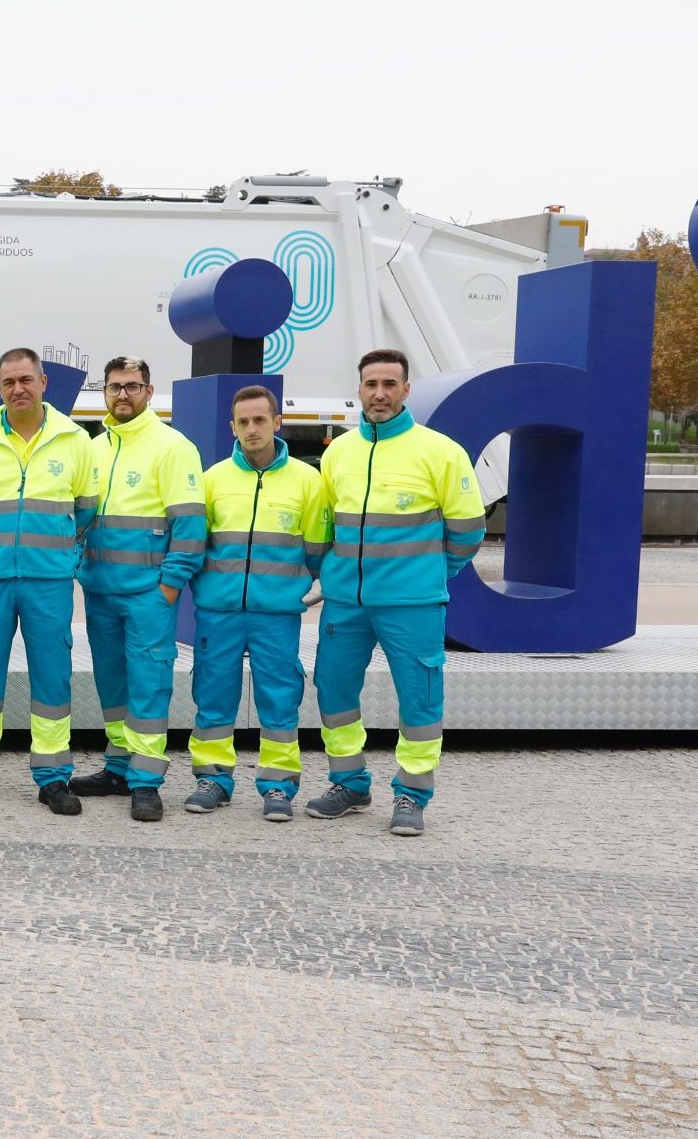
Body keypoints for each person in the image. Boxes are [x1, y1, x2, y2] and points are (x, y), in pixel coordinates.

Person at [307, 348, 484, 837]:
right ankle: (349, 783)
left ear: (407, 390)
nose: (379, 394)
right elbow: (326, 525)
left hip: (413, 604)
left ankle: (411, 794)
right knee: (334, 689)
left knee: (419, 699)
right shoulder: (338, 452)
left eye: (390, 384)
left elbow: (468, 530)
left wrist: (428, 574)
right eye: (371, 385)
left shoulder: (440, 452)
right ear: (359, 390)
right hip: (346, 600)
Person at [0, 348, 94, 812]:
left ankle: (52, 777)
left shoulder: (75, 440)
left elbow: (85, 510)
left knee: (53, 676)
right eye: (8, 382)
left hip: (48, 580)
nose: (18, 389)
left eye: (26, 379)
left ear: (44, 382)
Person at [186, 385, 332, 821]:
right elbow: (197, 545)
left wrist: (304, 590)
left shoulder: (309, 482)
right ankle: (212, 779)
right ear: (232, 426)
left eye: (260, 420)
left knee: (279, 697)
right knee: (212, 695)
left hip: (277, 614)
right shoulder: (212, 480)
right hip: (219, 612)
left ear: (277, 422)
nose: (252, 429)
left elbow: (317, 550)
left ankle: (278, 785)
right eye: (243, 422)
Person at [74, 355, 206, 823]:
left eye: (132, 386)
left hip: (149, 594)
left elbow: (190, 523)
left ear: (149, 392)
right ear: (104, 393)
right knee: (113, 684)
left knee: (149, 686)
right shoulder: (94, 447)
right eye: (114, 387)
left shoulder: (172, 446)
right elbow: (81, 516)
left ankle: (146, 781)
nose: (123, 395)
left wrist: (169, 587)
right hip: (101, 590)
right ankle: (117, 766)